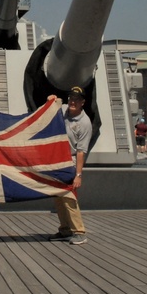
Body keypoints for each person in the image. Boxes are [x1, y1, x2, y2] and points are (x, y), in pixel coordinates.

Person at [50, 86, 91, 245]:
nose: (72, 102)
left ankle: (79, 231)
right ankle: (65, 229)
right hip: (59, 159)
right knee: (58, 197)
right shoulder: (65, 109)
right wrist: (51, 99)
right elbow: (50, 108)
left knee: (69, 197)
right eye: (71, 99)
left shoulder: (84, 123)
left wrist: (78, 175)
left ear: (83, 103)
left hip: (71, 160)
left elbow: (81, 152)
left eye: (76, 99)